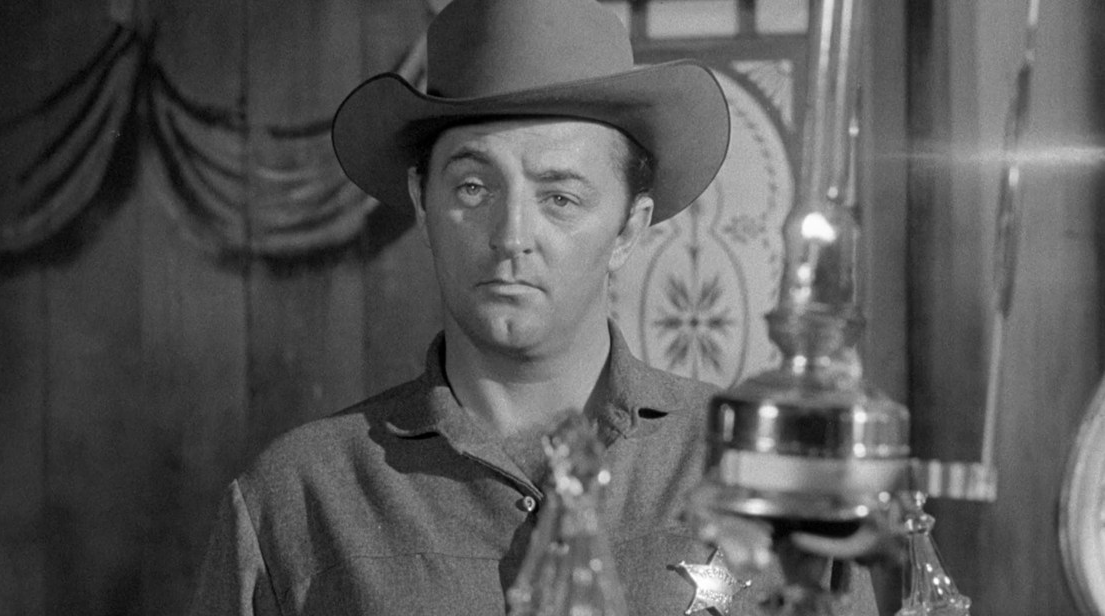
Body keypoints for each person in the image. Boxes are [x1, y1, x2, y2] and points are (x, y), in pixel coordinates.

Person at [189, 0, 882, 614]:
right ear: (423, 205)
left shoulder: (756, 471)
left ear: (630, 228)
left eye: (560, 197)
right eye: (472, 188)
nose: (512, 235)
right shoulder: (299, 499)